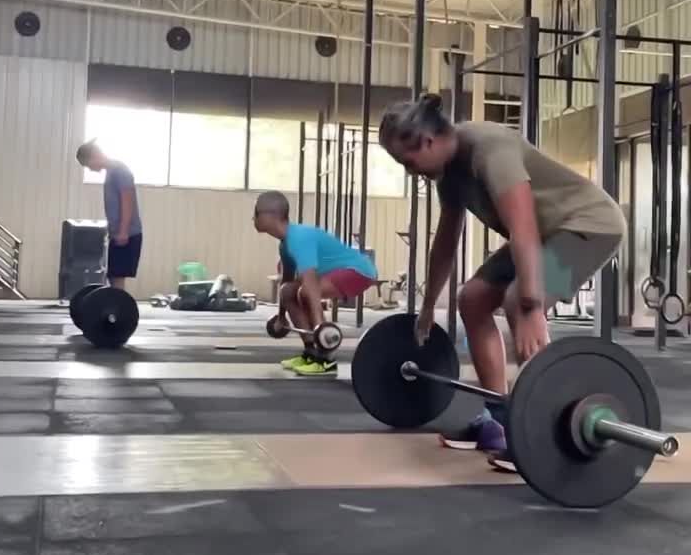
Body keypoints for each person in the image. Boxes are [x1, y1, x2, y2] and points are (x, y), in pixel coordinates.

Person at [378, 94, 626, 470]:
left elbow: (522, 226)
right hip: (545, 233)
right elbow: (445, 242)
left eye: (407, 162)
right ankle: (499, 419)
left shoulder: (490, 151)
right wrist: (428, 306)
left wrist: (532, 305)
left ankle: (541, 432)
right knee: (472, 298)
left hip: (588, 227)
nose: (410, 172)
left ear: (427, 142)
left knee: (517, 300)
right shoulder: (449, 171)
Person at [253, 191, 378, 377]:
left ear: (270, 215)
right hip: (334, 273)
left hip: (358, 271)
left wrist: (321, 328)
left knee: (305, 291)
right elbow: (287, 281)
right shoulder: (285, 244)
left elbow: (310, 283)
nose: (253, 218)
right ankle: (311, 353)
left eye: (256, 213)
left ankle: (325, 359)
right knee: (288, 291)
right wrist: (281, 317)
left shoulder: (299, 238)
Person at [76, 140, 143, 291]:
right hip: (119, 233)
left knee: (117, 277)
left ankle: (119, 305)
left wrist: (123, 231)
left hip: (128, 233)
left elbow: (127, 200)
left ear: (94, 156)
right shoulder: (112, 172)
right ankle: (116, 304)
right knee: (114, 276)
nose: (90, 169)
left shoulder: (120, 171)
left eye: (88, 165)